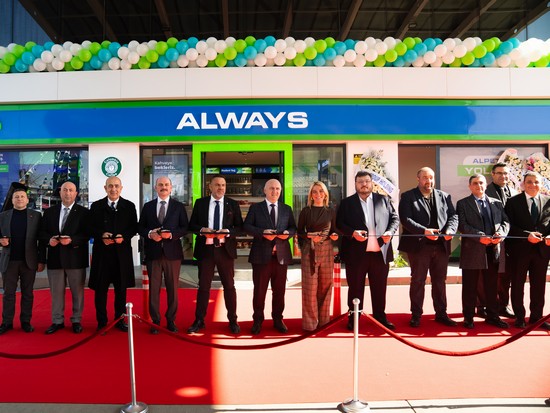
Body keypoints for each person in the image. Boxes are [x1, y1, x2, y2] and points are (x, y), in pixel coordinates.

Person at [336, 171, 399, 331]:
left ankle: (380, 317)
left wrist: (390, 232)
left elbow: (394, 218)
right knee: (355, 288)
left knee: (379, 288)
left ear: (372, 183)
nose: (364, 184)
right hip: (356, 254)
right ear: (355, 184)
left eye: (366, 181)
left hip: (380, 253)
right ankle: (354, 318)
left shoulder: (383, 200)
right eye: (360, 182)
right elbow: (339, 224)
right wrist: (352, 233)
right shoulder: (347, 203)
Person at [398, 167, 459, 328]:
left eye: (431, 177)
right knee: (418, 280)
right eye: (425, 177)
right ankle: (416, 315)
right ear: (418, 179)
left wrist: (450, 230)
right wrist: (424, 231)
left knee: (440, 281)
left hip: (441, 246)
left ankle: (441, 314)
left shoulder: (444, 196)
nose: (428, 181)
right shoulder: (408, 196)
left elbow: (453, 216)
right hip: (419, 246)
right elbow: (405, 219)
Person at [187, 175, 243, 334]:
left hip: (225, 251)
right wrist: (202, 230)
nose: (220, 188)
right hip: (206, 250)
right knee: (204, 286)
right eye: (217, 185)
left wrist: (228, 232)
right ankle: (199, 320)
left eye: (223, 185)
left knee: (229, 286)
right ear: (210, 187)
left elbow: (240, 227)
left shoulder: (232, 204)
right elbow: (192, 225)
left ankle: (233, 320)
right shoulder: (200, 203)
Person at [243, 179, 296, 335]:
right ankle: (257, 320)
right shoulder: (256, 208)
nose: (275, 191)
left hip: (281, 257)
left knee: (279, 292)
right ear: (265, 190)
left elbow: (293, 227)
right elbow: (247, 227)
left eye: (278, 188)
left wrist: (288, 233)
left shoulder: (286, 209)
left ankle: (278, 319)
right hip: (261, 257)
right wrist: (262, 233)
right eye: (271, 188)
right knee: (259, 291)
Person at [456, 174, 510, 329]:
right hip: (473, 250)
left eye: (481, 183)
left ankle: (493, 316)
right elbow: (462, 225)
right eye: (475, 183)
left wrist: (501, 234)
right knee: (470, 286)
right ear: (470, 186)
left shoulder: (496, 203)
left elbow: (505, 221)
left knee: (492, 286)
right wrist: (479, 236)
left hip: (493, 249)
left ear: (486, 185)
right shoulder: (463, 203)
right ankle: (468, 318)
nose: (478, 185)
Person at [138, 176, 188, 334]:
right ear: (155, 188)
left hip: (172, 254)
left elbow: (184, 228)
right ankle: (156, 320)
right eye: (160, 184)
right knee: (154, 289)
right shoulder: (148, 206)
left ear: (171, 188)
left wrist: (171, 235)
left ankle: (171, 320)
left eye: (166, 184)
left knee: (173, 289)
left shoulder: (178, 207)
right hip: (153, 254)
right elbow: (140, 228)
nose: (163, 187)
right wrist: (150, 234)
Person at [88, 176, 138, 332]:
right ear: (105, 188)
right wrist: (102, 235)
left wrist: (124, 237)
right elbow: (90, 227)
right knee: (100, 291)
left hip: (121, 255)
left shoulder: (129, 206)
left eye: (116, 186)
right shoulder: (96, 206)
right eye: (110, 186)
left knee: (121, 291)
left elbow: (134, 227)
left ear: (121, 188)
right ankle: (102, 322)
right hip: (102, 256)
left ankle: (119, 320)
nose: (113, 189)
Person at [40, 181, 90, 334]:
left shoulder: (84, 213)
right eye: (65, 190)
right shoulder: (49, 212)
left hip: (76, 259)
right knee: (56, 293)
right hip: (55, 259)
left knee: (77, 293)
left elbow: (87, 234)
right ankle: (57, 321)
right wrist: (49, 240)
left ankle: (76, 320)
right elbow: (42, 234)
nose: (68, 193)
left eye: (71, 190)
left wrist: (72, 240)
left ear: (76, 194)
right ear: (60, 192)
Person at [505, 171, 550, 330]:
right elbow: (508, 226)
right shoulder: (512, 202)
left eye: (536, 182)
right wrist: (526, 236)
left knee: (539, 286)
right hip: (519, 251)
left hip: (542, 251)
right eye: (529, 182)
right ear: (523, 184)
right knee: (517, 285)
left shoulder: (548, 201)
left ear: (541, 184)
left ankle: (536, 318)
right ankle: (519, 317)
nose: (533, 185)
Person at [0, 188, 45, 335]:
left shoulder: (36, 216)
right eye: (16, 197)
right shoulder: (3, 216)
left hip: (29, 261)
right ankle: (7, 322)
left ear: (27, 200)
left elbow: (41, 240)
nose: (19, 199)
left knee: (28, 293)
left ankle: (26, 321)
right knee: (8, 294)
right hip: (9, 261)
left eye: (22, 196)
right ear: (12, 200)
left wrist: (41, 260)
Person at [297, 181, 338, 331]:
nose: (318, 194)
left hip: (327, 250)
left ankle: (324, 322)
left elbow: (334, 230)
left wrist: (334, 235)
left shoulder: (331, 211)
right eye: (314, 191)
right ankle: (310, 324)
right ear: (311, 195)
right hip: (310, 250)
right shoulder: (305, 211)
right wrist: (309, 237)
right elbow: (299, 232)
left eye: (321, 191)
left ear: (325, 194)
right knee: (310, 288)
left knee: (326, 287)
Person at [484, 162, 517, 318]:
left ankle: (503, 305)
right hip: (490, 240)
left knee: (506, 275)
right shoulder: (485, 191)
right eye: (500, 173)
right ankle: (483, 306)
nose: (503, 176)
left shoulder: (514, 192)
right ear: (493, 174)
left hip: (511, 241)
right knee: (487, 276)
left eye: (506, 173)